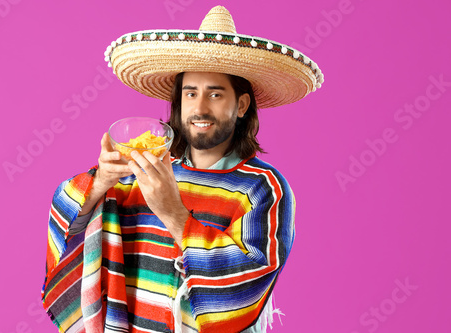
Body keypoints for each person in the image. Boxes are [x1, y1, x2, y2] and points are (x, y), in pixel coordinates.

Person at [41, 5, 323, 333]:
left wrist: (174, 214)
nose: (200, 108)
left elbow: (249, 279)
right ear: (179, 102)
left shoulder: (263, 186)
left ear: (241, 105)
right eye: (191, 93)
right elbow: (70, 227)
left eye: (215, 94)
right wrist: (102, 179)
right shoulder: (142, 169)